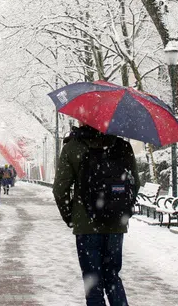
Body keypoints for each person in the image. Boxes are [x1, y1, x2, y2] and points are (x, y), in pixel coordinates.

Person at [53, 123, 140, 306]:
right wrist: (121, 208)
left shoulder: (73, 147)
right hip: (116, 223)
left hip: (86, 224)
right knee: (113, 277)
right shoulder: (122, 146)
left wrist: (71, 216)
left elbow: (60, 189)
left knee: (92, 282)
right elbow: (135, 184)